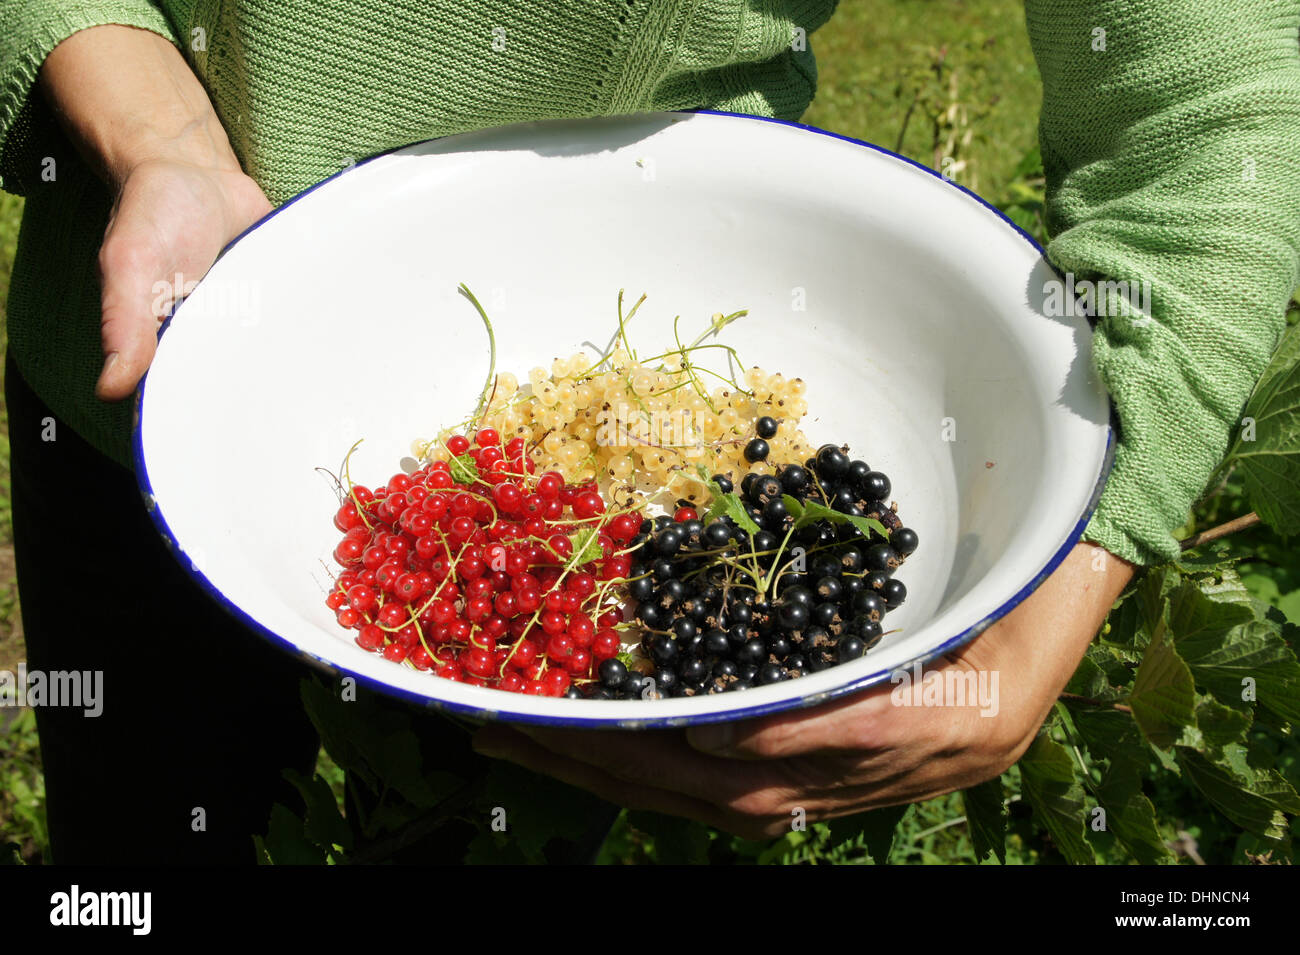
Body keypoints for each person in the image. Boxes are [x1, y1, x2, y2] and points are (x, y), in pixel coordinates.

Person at [1, 1, 1293, 858]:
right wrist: (151, 129)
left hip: (651, 698)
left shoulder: (697, 509)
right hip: (154, 384)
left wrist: (1064, 586)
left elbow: (1209, 96)